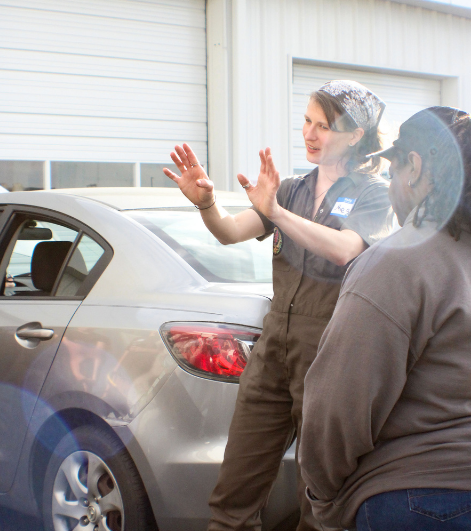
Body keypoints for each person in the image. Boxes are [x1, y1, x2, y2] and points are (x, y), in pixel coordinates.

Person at [164, 80, 394, 531]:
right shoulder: (289, 190)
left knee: (320, 502)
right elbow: (230, 232)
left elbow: (345, 249)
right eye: (306, 121)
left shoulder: (375, 194)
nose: (309, 133)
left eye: (323, 126)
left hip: (330, 358)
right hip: (273, 354)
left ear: (355, 135)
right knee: (233, 496)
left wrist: (277, 214)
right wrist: (207, 203)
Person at [299, 106, 471, 531]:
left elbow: (338, 406)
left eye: (393, 171)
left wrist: (323, 497)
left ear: (414, 167)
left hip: (416, 497)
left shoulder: (397, 264)